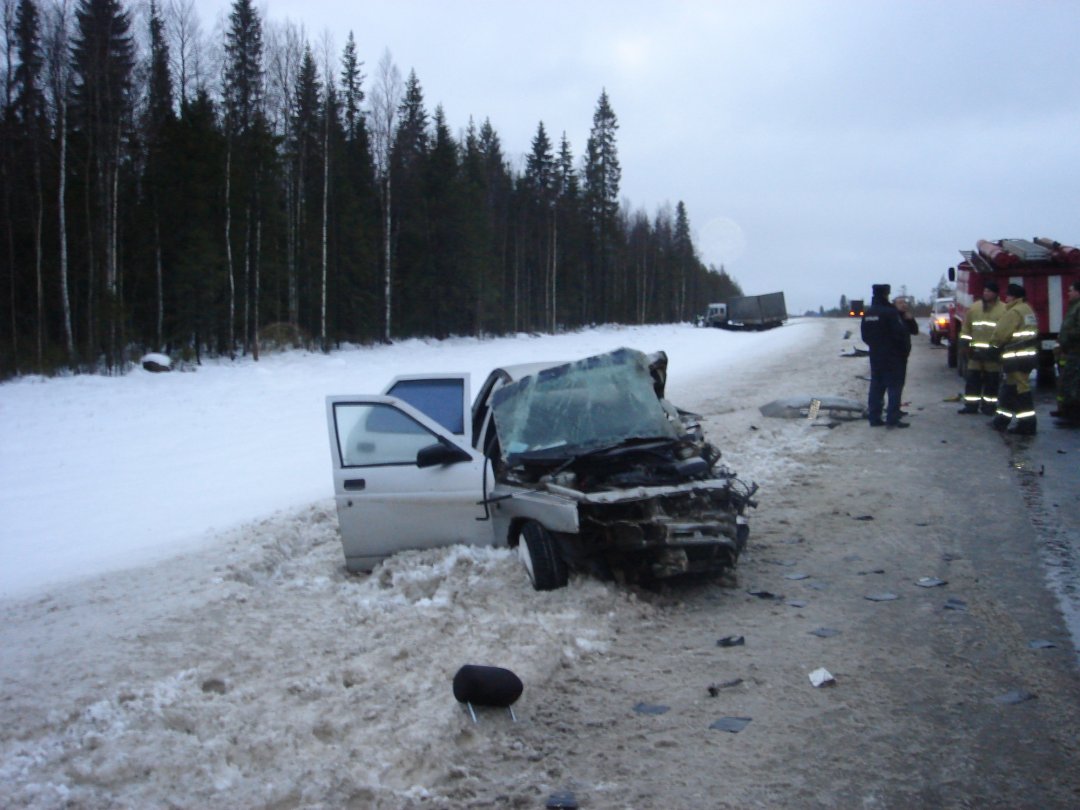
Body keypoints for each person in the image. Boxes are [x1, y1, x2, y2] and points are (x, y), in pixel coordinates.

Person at [989, 283, 1039, 435]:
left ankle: (1027, 424)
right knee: (1010, 387)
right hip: (1027, 356)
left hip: (1015, 356)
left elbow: (1000, 334)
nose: (1006, 297)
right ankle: (1001, 420)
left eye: (1008, 295)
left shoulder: (1014, 312)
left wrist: (993, 347)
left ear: (1015, 297)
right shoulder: (1027, 309)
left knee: (1019, 388)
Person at [861, 283, 911, 428]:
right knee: (894, 388)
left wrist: (876, 346)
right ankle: (892, 419)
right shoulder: (890, 312)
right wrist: (902, 351)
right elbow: (899, 334)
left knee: (877, 386)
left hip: (876, 355)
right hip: (893, 357)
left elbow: (865, 335)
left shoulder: (869, 313)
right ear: (886, 294)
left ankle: (874, 418)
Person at [957, 281, 1006, 414]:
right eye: (984, 291)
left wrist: (999, 349)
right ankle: (971, 406)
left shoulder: (1003, 309)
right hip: (975, 353)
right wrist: (964, 345)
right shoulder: (974, 308)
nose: (986, 293)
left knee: (992, 382)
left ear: (996, 294)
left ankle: (989, 407)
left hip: (992, 353)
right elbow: (966, 328)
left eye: (989, 291)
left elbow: (1005, 332)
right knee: (972, 380)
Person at [1051, 279, 1080, 424]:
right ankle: (1067, 411)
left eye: (1071, 290)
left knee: (1073, 383)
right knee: (1066, 381)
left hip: (1076, 351)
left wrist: (1067, 335)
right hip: (1071, 351)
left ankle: (1073, 416)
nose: (1068, 293)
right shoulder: (1074, 306)